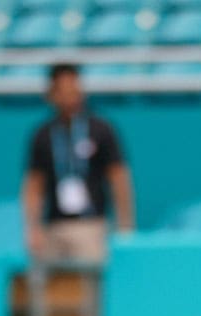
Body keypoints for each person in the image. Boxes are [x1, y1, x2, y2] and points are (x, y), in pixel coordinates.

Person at [22, 63, 135, 264]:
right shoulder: (43, 135)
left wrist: (125, 225)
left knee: (92, 286)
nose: (69, 96)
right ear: (52, 94)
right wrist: (33, 228)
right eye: (62, 90)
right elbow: (33, 185)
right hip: (55, 226)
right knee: (54, 289)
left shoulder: (101, 129)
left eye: (73, 88)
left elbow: (118, 178)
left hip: (91, 225)